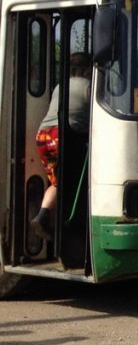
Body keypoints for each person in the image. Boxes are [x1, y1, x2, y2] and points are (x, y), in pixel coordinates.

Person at [31, 53, 92, 242]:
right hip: (60, 136)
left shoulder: (61, 85)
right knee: (66, 181)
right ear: (87, 69)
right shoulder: (89, 86)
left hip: (43, 136)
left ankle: (45, 217)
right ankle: (52, 220)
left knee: (57, 181)